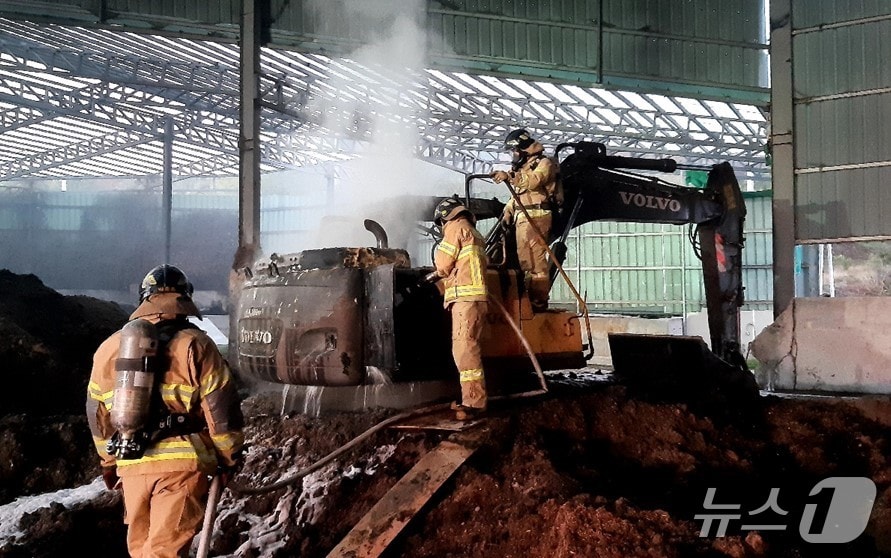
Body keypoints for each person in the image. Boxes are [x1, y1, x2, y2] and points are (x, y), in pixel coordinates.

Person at [86, 264, 245, 558]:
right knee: (165, 551)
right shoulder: (196, 345)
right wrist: (229, 457)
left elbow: (97, 416)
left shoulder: (108, 348)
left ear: (143, 299)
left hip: (131, 462)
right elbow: (221, 409)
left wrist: (108, 462)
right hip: (182, 466)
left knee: (142, 550)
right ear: (185, 298)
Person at [426, 197, 489, 420]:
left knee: (464, 350)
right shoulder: (473, 232)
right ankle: (474, 398)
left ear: (445, 217)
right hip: (476, 300)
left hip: (465, 300)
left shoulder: (455, 228)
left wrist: (434, 274)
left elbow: (443, 264)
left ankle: (473, 403)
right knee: (469, 347)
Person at [491, 128, 561, 311]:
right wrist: (507, 211)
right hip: (524, 217)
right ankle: (528, 298)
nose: (513, 155)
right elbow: (518, 196)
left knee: (535, 263)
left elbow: (534, 181)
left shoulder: (544, 163)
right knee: (525, 262)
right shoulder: (523, 168)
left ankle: (538, 301)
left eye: (514, 151)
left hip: (537, 216)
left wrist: (510, 177)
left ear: (523, 149)